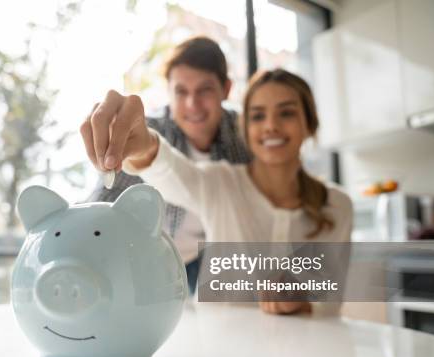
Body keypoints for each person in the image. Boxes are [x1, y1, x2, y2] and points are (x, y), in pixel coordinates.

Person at [80, 68, 353, 315]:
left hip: (304, 356)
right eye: (258, 115)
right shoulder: (221, 183)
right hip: (217, 356)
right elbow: (168, 169)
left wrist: (304, 301)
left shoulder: (338, 206)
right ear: (245, 129)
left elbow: (333, 301)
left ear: (310, 123)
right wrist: (142, 144)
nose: (271, 125)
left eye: (286, 112)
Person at [87, 36, 251, 295]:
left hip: (218, 256)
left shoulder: (244, 135)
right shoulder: (146, 132)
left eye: (204, 90)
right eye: (181, 91)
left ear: (226, 89)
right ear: (169, 91)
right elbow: (106, 199)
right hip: (158, 259)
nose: (192, 104)